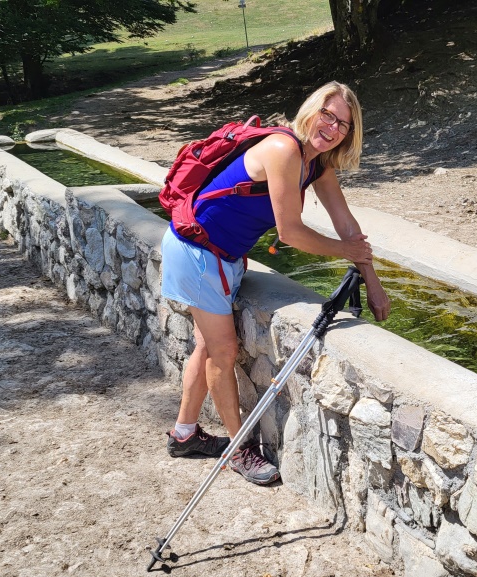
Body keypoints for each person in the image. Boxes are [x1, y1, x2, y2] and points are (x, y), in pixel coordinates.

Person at [159, 81, 391, 485]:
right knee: (222, 351)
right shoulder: (284, 149)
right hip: (197, 253)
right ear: (311, 110)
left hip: (224, 256)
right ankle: (238, 451)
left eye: (344, 125)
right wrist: (345, 252)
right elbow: (290, 233)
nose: (332, 128)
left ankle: (184, 435)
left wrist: (372, 281)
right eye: (327, 115)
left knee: (207, 345)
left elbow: (346, 225)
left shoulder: (317, 164)